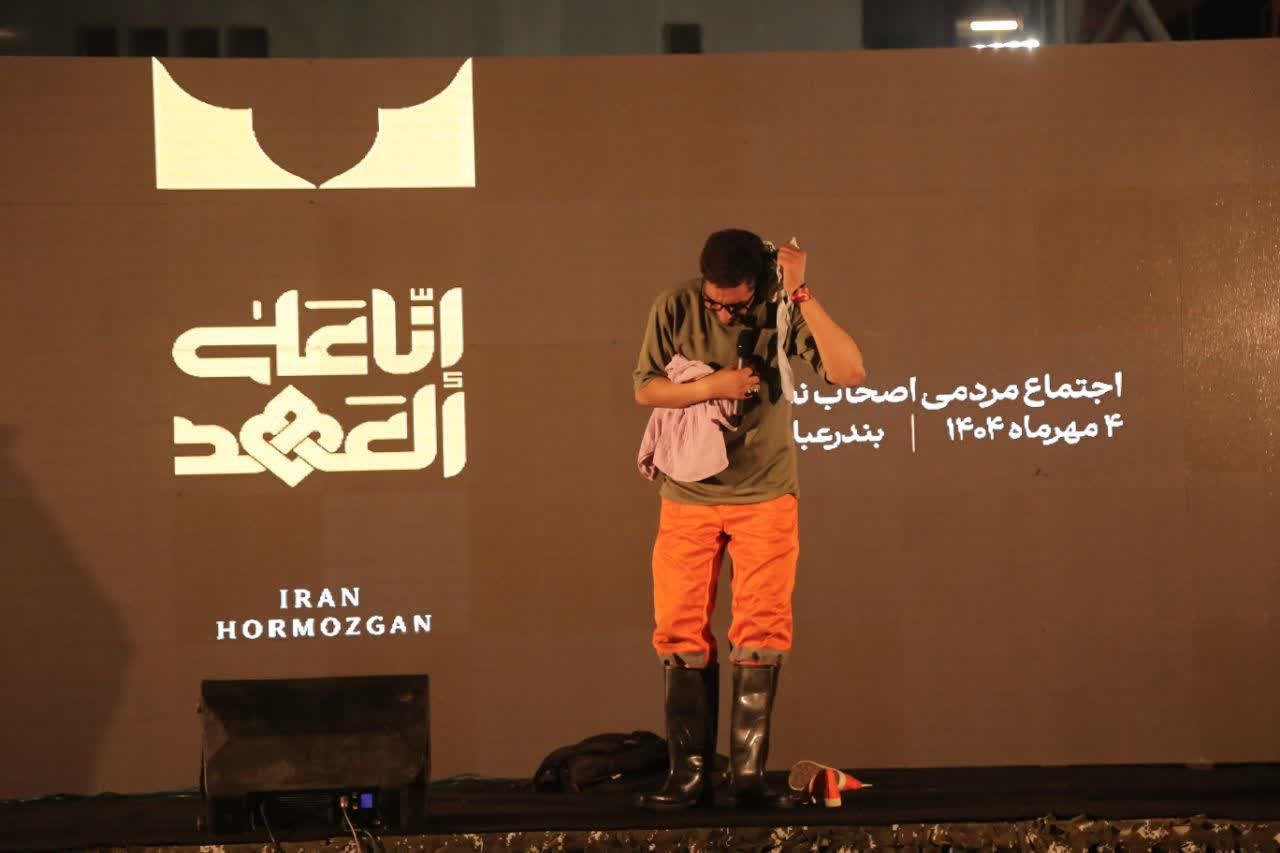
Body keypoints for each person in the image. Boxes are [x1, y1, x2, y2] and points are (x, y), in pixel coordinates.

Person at [632, 228, 866, 809]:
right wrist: (716, 384)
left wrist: (801, 292)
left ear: (757, 287)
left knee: (761, 631)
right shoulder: (674, 305)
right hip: (688, 493)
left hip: (765, 494)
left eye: (735, 306)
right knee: (678, 630)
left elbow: (848, 372)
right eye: (714, 302)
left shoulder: (783, 308)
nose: (722, 313)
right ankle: (688, 776)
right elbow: (646, 390)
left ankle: (746, 777)